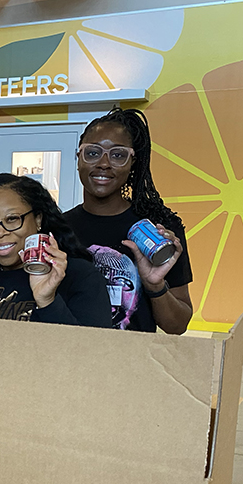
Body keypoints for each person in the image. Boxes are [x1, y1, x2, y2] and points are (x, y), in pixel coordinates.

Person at [65, 107, 193, 333]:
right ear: (78, 158)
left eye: (118, 155)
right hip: (70, 360)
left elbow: (177, 326)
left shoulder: (158, 231)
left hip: (132, 364)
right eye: (92, 153)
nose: (104, 163)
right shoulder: (58, 228)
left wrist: (155, 285)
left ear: (133, 162)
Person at [0, 173, 111, 327]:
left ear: (38, 219)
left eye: (12, 219)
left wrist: (47, 301)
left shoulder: (78, 275)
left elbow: (91, 355)